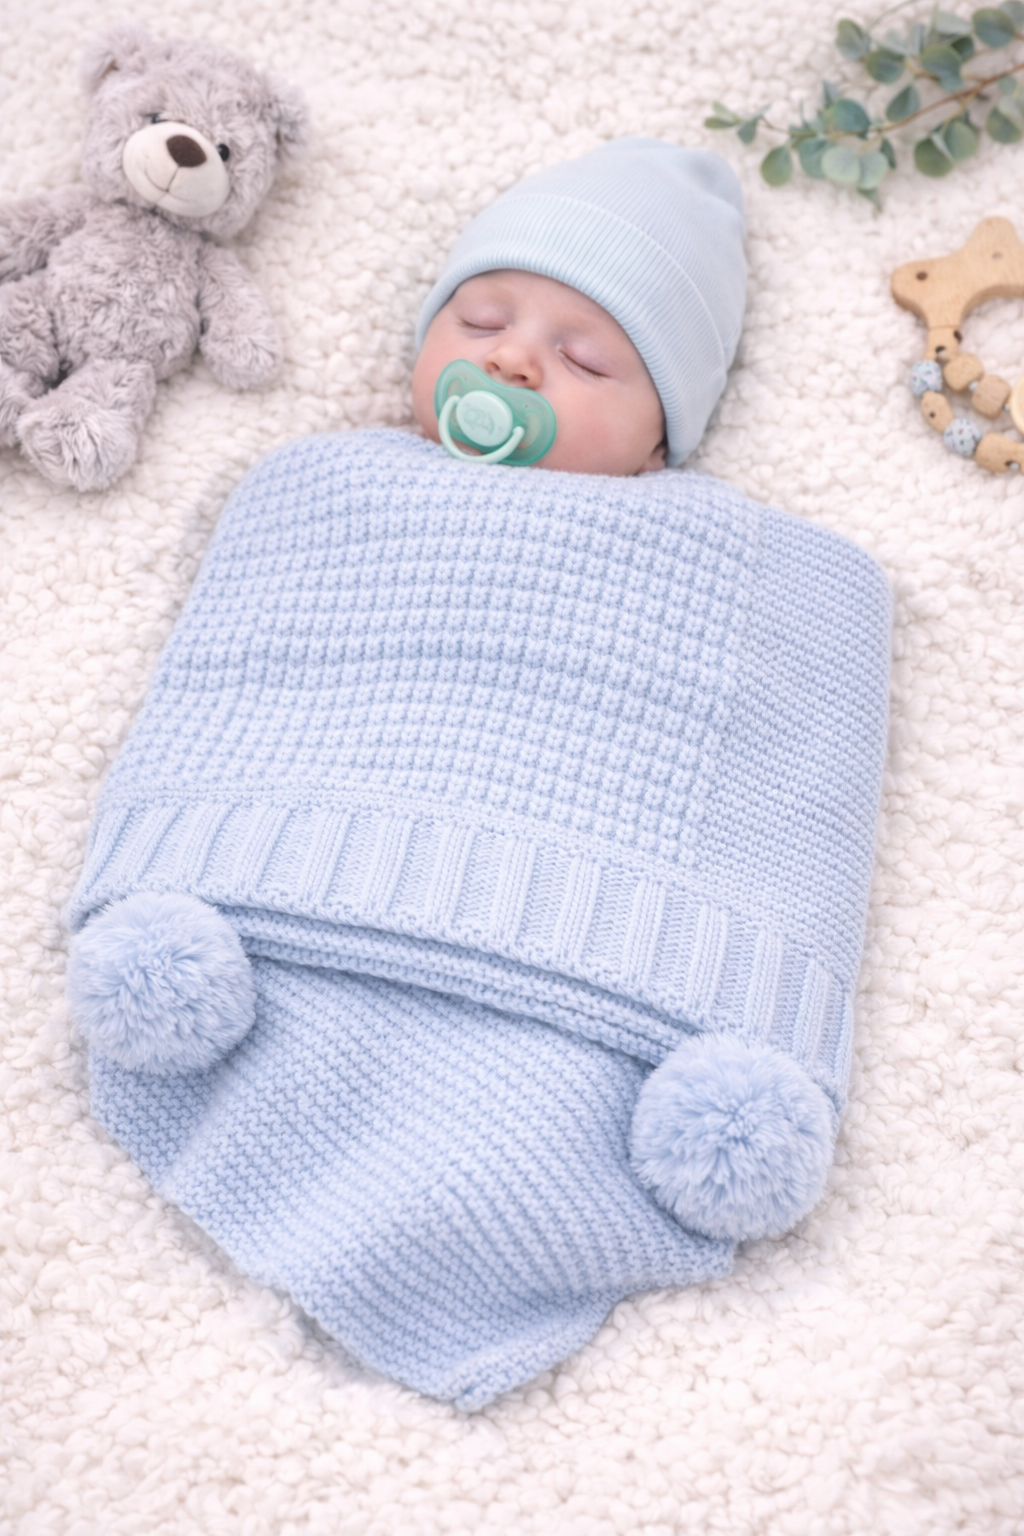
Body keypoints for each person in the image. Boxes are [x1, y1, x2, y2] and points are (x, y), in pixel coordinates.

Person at [66, 140, 890, 1410]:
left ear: (660, 444)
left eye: (586, 359)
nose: (511, 362)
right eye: (481, 319)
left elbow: (791, 788)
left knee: (556, 1109)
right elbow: (245, 685)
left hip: (599, 983)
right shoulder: (321, 491)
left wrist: (747, 1014)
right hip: (282, 926)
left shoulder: (748, 569)